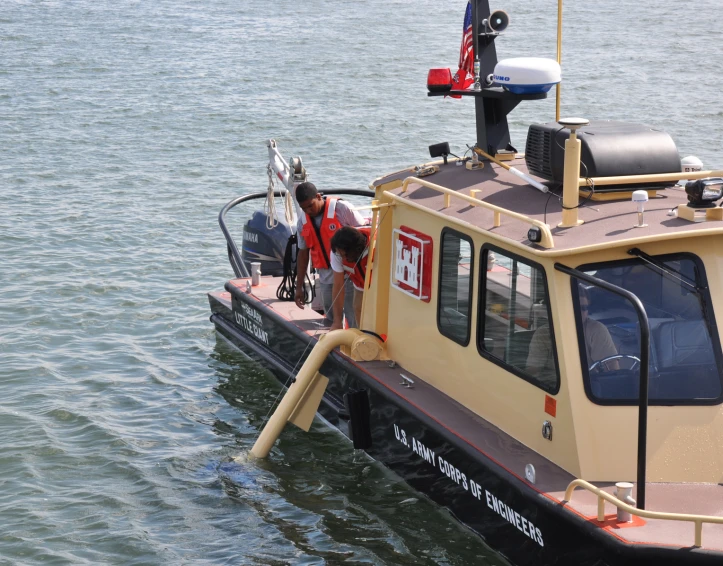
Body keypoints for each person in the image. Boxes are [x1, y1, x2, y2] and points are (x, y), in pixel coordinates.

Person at [294, 182, 363, 328]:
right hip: (326, 278)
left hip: (349, 276)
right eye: (303, 208)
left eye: (310, 205)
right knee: (331, 318)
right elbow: (303, 253)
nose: (308, 210)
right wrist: (298, 287)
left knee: (354, 317)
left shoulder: (342, 209)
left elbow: (363, 236)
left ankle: (355, 347)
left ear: (319, 197)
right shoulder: (302, 221)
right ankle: (336, 347)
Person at [526, 285, 618, 378]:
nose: (579, 311)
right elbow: (533, 372)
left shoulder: (597, 329)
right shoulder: (543, 334)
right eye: (575, 307)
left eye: (583, 308)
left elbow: (612, 369)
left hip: (589, 387)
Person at [329, 226, 372, 331]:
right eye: (340, 255)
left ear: (357, 249)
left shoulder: (377, 244)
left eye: (346, 255)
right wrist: (337, 321)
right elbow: (338, 286)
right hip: (360, 287)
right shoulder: (337, 253)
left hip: (382, 287)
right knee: (358, 310)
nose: (343, 259)